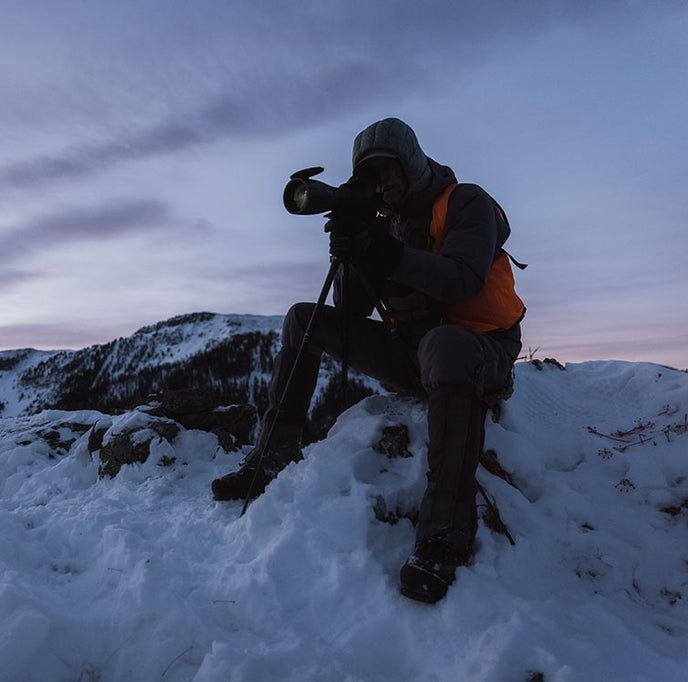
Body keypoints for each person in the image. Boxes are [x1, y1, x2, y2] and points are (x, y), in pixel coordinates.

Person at [211, 117, 524, 604]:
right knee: (302, 320)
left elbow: (463, 281)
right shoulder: (384, 221)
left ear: (411, 164)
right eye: (370, 174)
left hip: (477, 349)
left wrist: (387, 253)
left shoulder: (466, 203)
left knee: (446, 345)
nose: (380, 183)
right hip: (414, 352)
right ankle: (271, 456)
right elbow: (351, 308)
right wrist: (355, 250)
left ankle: (444, 532)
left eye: (387, 170)